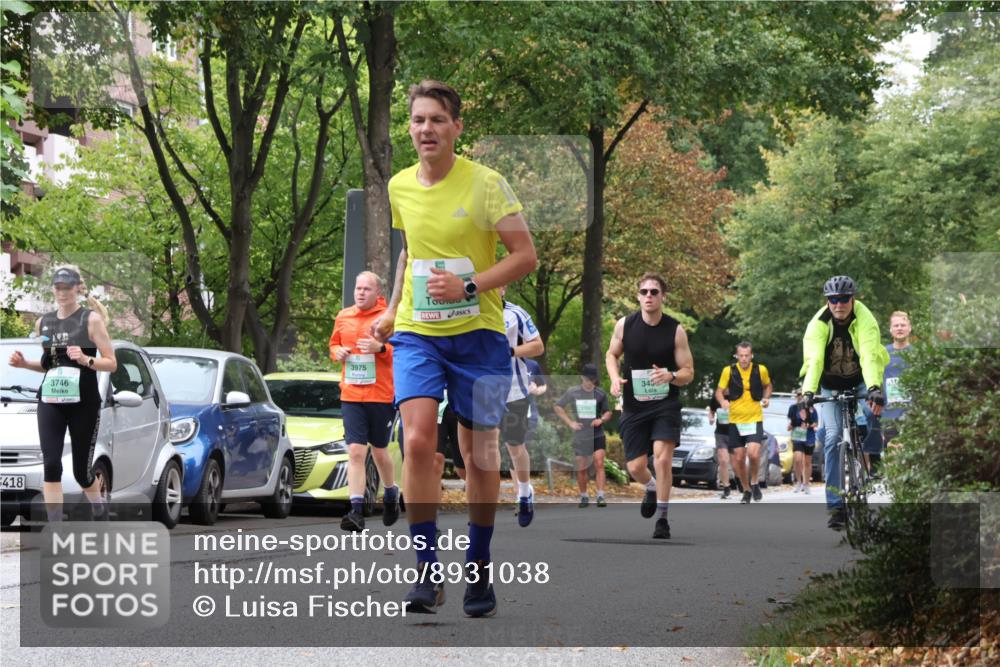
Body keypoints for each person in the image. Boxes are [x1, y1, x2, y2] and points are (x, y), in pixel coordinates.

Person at [371, 80, 537, 617]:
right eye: (418, 120)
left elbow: (525, 256)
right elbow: (409, 254)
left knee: (479, 454)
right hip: (420, 333)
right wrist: (394, 307)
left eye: (437, 120)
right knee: (418, 441)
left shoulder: (487, 185)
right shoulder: (399, 187)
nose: (426, 129)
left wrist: (469, 287)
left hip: (481, 337)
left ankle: (480, 567)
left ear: (456, 127)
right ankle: (425, 571)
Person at [7, 265, 117, 522]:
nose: (62, 292)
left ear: (78, 288)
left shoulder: (91, 320)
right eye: (58, 287)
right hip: (51, 400)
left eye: (68, 288)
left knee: (81, 473)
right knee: (52, 464)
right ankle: (56, 529)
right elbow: (49, 364)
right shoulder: (43, 322)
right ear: (53, 289)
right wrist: (24, 364)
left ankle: (99, 507)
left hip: (84, 403)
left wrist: (86, 360)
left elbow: (111, 363)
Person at [606, 272, 694, 539]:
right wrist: (613, 378)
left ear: (662, 297)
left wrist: (671, 376)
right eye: (644, 292)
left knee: (663, 457)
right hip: (634, 405)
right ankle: (652, 487)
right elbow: (612, 354)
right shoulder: (625, 325)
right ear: (638, 296)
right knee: (634, 467)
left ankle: (663, 519)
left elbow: (688, 371)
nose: (648, 296)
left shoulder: (675, 330)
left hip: (665, 405)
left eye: (654, 292)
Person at [800, 275, 889, 530]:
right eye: (833, 300)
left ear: (853, 299)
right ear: (828, 301)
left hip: (862, 377)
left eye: (844, 299)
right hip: (829, 383)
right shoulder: (818, 323)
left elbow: (870, 355)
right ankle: (836, 505)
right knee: (832, 437)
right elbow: (814, 359)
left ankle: (872, 453)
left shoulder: (865, 318)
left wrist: (873, 388)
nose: (839, 304)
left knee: (873, 412)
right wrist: (808, 392)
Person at [329, 271, 399, 532]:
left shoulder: (388, 319)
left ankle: (391, 492)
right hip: (351, 394)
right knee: (356, 451)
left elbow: (401, 351)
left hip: (380, 394)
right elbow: (333, 345)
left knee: (379, 451)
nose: (360, 292)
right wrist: (338, 352)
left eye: (366, 289)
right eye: (358, 288)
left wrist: (380, 348)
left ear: (378, 294)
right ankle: (356, 510)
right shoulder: (343, 316)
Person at [499, 287, 544, 527]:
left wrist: (511, 351)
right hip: (481, 392)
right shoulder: (468, 313)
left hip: (514, 391)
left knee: (515, 446)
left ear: (503, 287)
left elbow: (538, 346)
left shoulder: (516, 314)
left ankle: (524, 493)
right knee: (484, 446)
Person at [715, 342, 772, 504]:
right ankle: (746, 489)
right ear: (737, 356)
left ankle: (754, 482)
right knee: (739, 459)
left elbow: (768, 385)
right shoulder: (729, 371)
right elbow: (719, 391)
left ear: (751, 355)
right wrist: (723, 402)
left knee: (754, 454)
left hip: (754, 418)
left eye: (747, 355)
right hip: (735, 421)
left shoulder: (760, 369)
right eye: (741, 355)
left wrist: (766, 397)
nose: (744, 358)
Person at [553, 364, 612, 508]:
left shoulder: (600, 394)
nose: (589, 382)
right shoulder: (573, 392)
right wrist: (570, 423)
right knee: (581, 467)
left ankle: (600, 496)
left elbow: (608, 412)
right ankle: (584, 497)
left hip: (596, 433)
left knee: (599, 463)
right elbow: (558, 406)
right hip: (580, 434)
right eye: (586, 379)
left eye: (592, 380)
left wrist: (601, 420)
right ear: (581, 378)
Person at [881, 310, 913, 448]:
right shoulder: (882, 353)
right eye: (896, 325)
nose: (899, 328)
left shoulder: (917, 353)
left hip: (913, 415)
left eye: (903, 325)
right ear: (891, 329)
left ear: (909, 328)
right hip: (889, 415)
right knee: (893, 459)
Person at [788, 391, 818, 493]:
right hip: (797, 435)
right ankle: (799, 482)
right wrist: (791, 426)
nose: (799, 397)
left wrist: (809, 425)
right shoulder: (793, 408)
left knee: (807, 461)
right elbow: (791, 422)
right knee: (797, 459)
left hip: (809, 436)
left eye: (801, 395)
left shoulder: (812, 409)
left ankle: (806, 484)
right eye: (797, 395)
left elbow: (815, 423)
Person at [708, 392, 734, 498]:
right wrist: (711, 418)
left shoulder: (737, 394)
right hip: (721, 433)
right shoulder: (717, 396)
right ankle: (726, 487)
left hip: (736, 433)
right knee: (723, 460)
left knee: (737, 462)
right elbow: (711, 410)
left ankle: (742, 483)